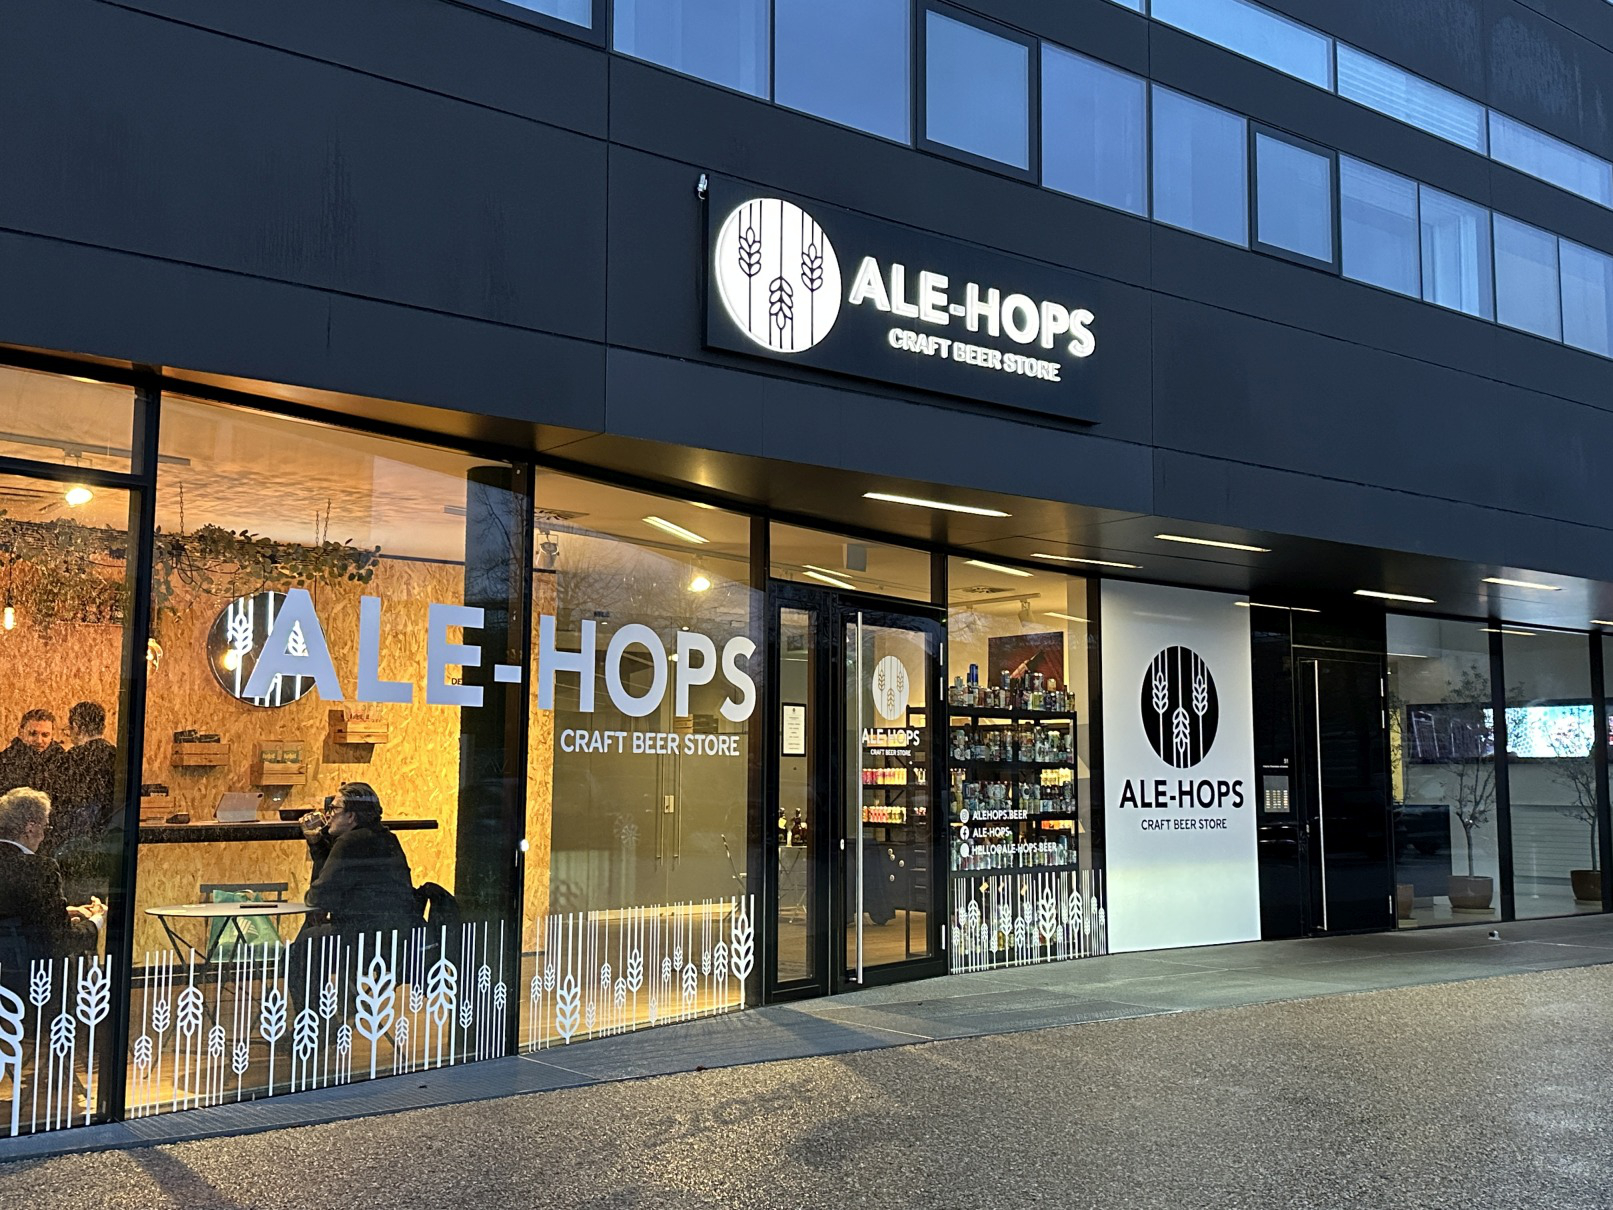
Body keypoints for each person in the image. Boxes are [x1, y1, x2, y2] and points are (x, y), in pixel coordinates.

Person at [0, 787, 104, 992]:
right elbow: (59, 941)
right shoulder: (40, 869)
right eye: (45, 827)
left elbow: (14, 913)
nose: (44, 836)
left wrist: (64, 912)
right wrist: (96, 921)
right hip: (29, 982)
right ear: (30, 828)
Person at [295, 782, 421, 941]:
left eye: (334, 809)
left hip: (362, 937)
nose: (328, 815)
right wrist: (317, 843)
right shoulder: (387, 837)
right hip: (395, 934)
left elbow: (318, 897)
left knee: (305, 940)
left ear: (351, 816)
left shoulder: (350, 842)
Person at [43, 701, 120, 901]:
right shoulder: (118, 758)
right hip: (109, 849)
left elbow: (58, 803)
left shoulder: (71, 760)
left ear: (76, 726)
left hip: (75, 849)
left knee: (75, 906)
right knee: (99, 905)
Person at [0, 708, 65, 797]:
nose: (39, 740)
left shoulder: (63, 761)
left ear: (52, 735)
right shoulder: (5, 761)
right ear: (20, 732)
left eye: (45, 735)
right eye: (33, 734)